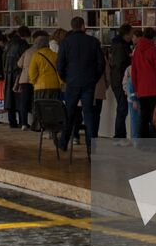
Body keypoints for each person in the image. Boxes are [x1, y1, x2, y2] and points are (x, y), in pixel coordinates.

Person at [55, 17, 104, 152]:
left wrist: (66, 78)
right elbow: (101, 63)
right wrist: (94, 78)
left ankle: (63, 143)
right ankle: (91, 146)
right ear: (83, 26)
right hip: (88, 83)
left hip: (72, 83)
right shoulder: (93, 42)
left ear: (72, 26)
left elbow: (59, 65)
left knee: (69, 114)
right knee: (89, 115)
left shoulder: (65, 43)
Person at [130, 26, 156, 139]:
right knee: (154, 116)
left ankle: (143, 140)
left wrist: (136, 88)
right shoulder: (153, 49)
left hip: (141, 88)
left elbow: (134, 71)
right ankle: (154, 140)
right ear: (153, 38)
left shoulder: (136, 50)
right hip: (153, 87)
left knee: (143, 116)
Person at [106, 25, 132, 142]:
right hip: (120, 80)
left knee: (122, 108)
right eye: (131, 33)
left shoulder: (116, 45)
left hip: (116, 80)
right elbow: (120, 65)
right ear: (126, 34)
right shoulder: (121, 47)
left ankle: (120, 135)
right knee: (122, 108)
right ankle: (119, 136)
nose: (132, 36)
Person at [27, 30, 63, 114]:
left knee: (41, 110)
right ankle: (52, 121)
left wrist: (34, 82)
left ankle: (41, 122)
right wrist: (60, 83)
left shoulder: (36, 55)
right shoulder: (55, 55)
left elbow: (32, 72)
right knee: (54, 109)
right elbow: (60, 70)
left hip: (41, 87)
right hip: (55, 86)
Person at [3, 28, 30, 130]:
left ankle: (12, 122)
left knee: (10, 99)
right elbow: (24, 61)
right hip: (18, 74)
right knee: (20, 99)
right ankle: (22, 122)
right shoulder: (23, 44)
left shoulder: (8, 44)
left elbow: (3, 59)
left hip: (8, 74)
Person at [14, 33, 41, 131]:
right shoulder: (40, 52)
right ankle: (35, 123)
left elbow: (19, 64)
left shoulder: (27, 51)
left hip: (24, 79)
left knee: (24, 102)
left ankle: (23, 123)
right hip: (36, 80)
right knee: (35, 102)